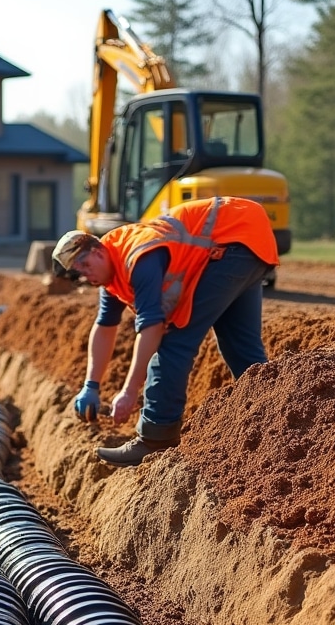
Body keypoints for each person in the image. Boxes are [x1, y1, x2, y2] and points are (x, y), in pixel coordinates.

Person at [51, 195, 278, 467]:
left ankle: (155, 437)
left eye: (85, 266)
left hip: (234, 239)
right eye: (79, 274)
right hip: (248, 237)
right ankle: (275, 417)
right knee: (239, 344)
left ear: (98, 252)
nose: (86, 277)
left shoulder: (138, 258)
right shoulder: (110, 271)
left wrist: (130, 391)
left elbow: (153, 326)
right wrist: (91, 385)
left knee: (174, 343)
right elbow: (105, 326)